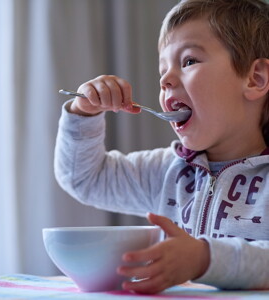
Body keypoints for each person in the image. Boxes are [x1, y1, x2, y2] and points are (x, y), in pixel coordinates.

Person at [54, 0, 269, 294]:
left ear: (255, 79)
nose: (165, 80)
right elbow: (84, 179)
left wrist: (204, 259)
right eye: (162, 71)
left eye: (189, 61)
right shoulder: (165, 171)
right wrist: (84, 114)